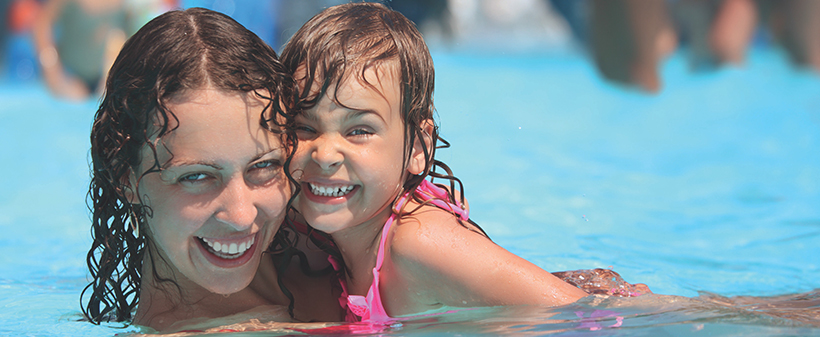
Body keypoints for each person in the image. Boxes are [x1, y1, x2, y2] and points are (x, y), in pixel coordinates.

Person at [280, 2, 592, 323]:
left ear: (417, 147)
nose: (324, 154)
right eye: (304, 127)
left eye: (359, 130)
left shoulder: (419, 245)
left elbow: (585, 316)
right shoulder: (314, 226)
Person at [82, 8, 340, 332]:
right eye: (196, 176)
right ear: (125, 176)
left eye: (264, 166)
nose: (242, 216)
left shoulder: (351, 249)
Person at [32, 0, 129, 100]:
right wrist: (54, 75)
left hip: (107, 77)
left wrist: (112, 77)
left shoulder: (127, 5)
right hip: (69, 75)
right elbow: (42, 24)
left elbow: (123, 36)